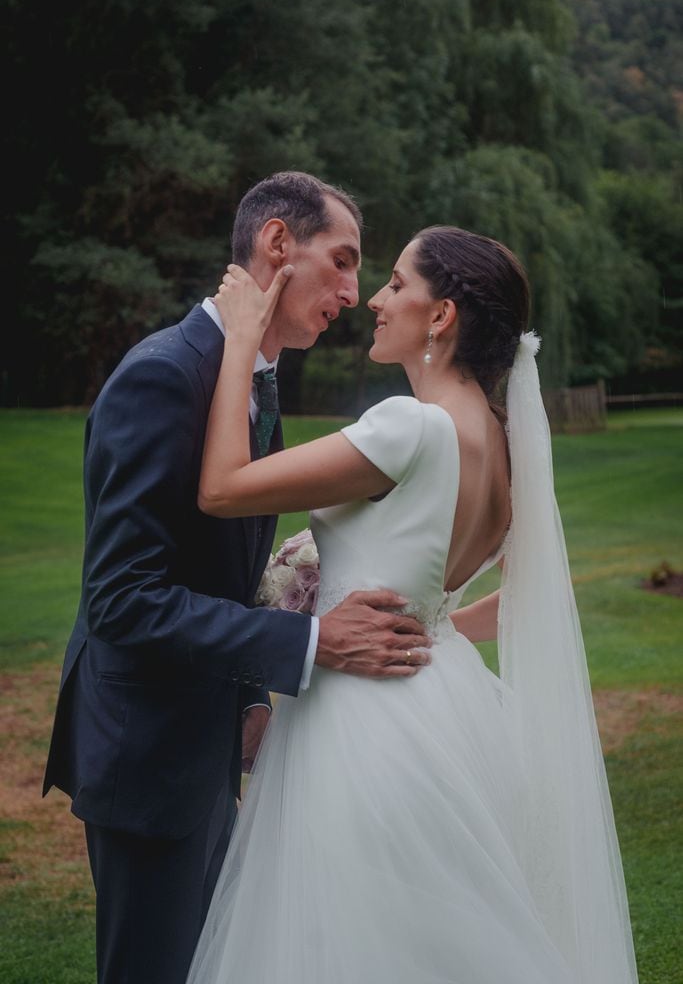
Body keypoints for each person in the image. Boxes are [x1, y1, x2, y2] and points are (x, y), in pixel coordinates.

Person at [186, 226, 639, 983]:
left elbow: (221, 488)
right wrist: (427, 629)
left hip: (363, 724)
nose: (374, 297)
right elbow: (523, 599)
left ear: (440, 316)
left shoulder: (409, 427)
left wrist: (240, 339)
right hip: (451, 706)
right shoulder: (500, 443)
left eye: (395, 283)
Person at [42, 172, 430, 984]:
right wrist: (313, 641)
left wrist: (252, 699)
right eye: (343, 261)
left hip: (208, 741)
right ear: (277, 244)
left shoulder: (251, 378)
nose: (355, 294)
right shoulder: (163, 375)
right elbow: (122, 598)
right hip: (146, 754)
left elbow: (220, 572)